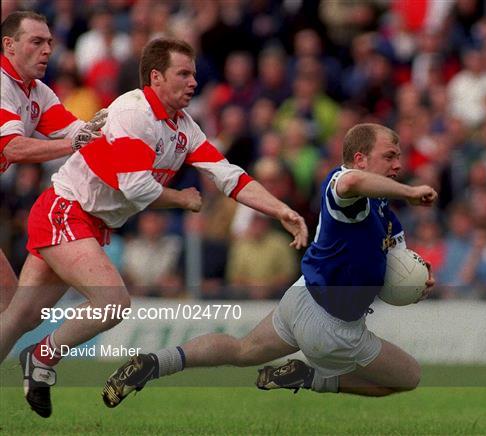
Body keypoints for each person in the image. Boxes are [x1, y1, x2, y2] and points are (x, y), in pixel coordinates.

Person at [0, 37, 308, 418]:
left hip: (88, 220)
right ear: (156, 77)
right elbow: (134, 185)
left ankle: (37, 355)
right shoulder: (134, 112)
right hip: (66, 209)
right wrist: (182, 199)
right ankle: (41, 356)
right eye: (184, 74)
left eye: (194, 74)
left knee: (18, 317)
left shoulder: (185, 128)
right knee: (112, 303)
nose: (193, 82)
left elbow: (229, 176)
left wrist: (280, 210)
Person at [102, 123, 437, 407]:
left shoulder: (385, 215)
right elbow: (352, 182)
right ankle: (311, 377)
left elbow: (399, 266)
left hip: (302, 297)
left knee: (242, 349)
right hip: (332, 327)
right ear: (360, 159)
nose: (397, 164)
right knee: (409, 376)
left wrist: (419, 283)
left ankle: (154, 362)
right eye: (389, 156)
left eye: (398, 157)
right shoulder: (344, 188)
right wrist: (407, 191)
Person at [0, 11, 107, 312]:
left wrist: (122, 126)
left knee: (8, 306)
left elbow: (82, 134)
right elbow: (12, 148)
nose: (47, 50)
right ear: (9, 45)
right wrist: (75, 143)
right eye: (36, 42)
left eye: (49, 42)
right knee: (7, 303)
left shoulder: (37, 92)